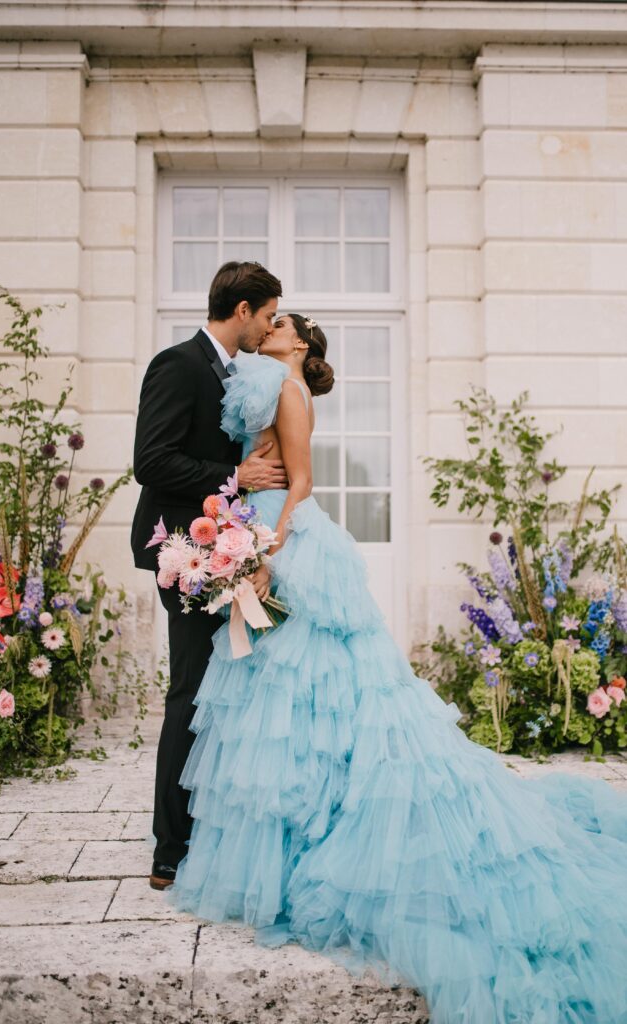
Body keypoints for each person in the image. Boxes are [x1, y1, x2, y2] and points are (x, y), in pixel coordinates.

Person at [168, 313, 627, 1023]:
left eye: (284, 322)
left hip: (284, 540)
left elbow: (302, 483)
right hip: (252, 530)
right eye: (273, 315)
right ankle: (295, 829)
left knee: (316, 687)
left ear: (300, 345)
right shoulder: (266, 380)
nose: (274, 323)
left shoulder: (291, 388)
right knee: (280, 692)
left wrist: (267, 553)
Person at [131, 261, 288, 891]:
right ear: (243, 309)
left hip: (231, 554)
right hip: (185, 556)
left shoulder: (234, 374)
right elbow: (151, 460)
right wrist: (233, 480)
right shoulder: (179, 364)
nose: (271, 327)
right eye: (269, 315)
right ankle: (169, 850)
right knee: (189, 695)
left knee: (220, 696)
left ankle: (207, 829)